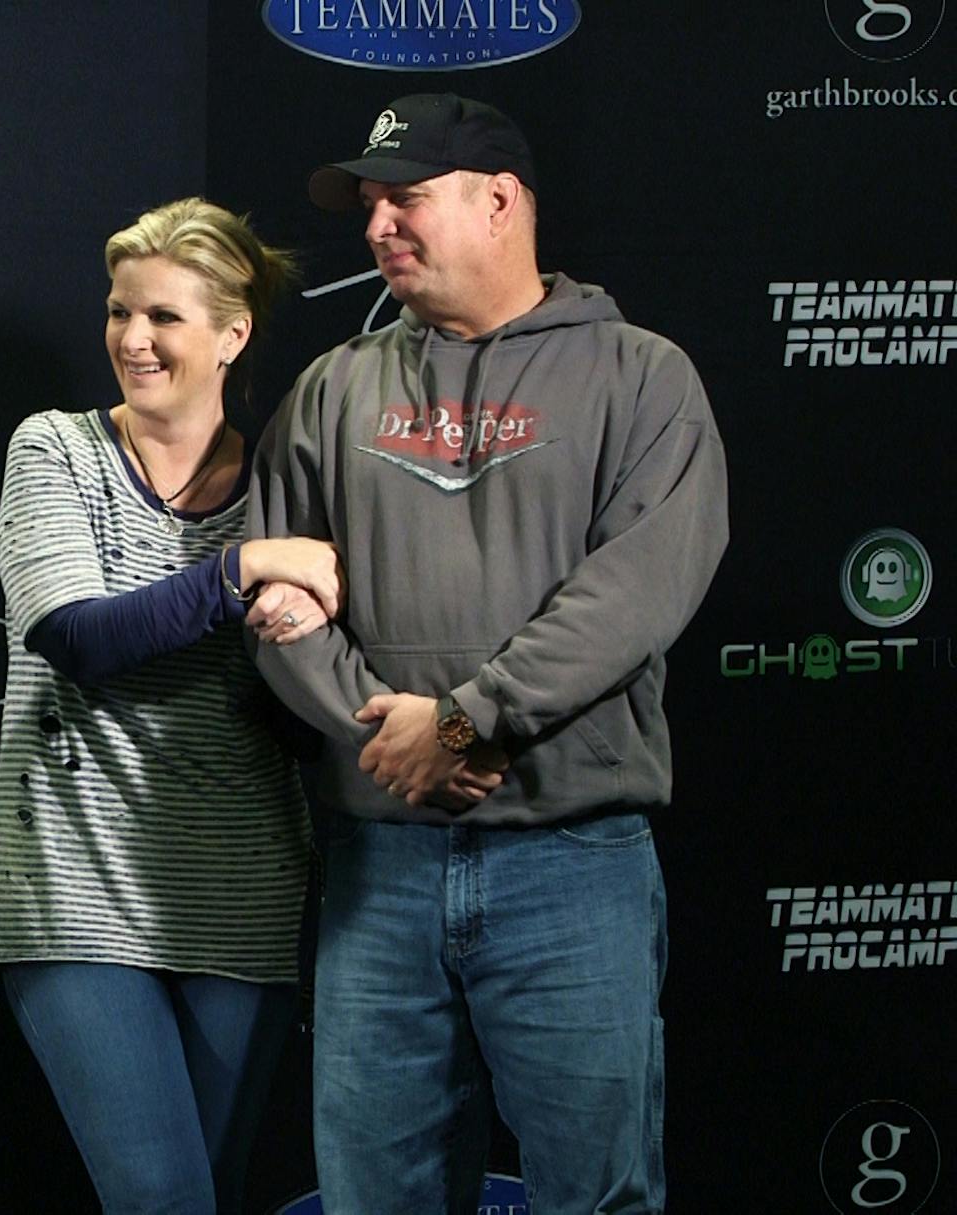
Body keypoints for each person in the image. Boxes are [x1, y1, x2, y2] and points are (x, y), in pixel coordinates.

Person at [249, 94, 729, 1211]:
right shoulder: (335, 387)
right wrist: (393, 734)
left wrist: (462, 725)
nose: (377, 226)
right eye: (369, 204)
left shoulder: (642, 378)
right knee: (376, 1197)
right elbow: (278, 598)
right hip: (382, 869)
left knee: (595, 1196)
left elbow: (633, 595)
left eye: (405, 198)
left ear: (501, 202)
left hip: (574, 863)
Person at [0, 197, 341, 1213]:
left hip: (243, 891)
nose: (131, 341)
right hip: (74, 884)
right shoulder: (56, 448)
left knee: (208, 1194)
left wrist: (308, 630)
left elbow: (298, 712)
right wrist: (245, 572)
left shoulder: (289, 477)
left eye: (163, 318)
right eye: (117, 313)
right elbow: (78, 636)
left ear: (233, 334)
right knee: (159, 1197)